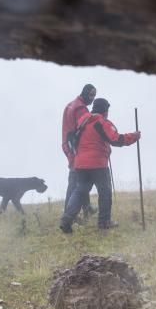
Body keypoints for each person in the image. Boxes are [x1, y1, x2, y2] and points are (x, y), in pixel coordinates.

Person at [60, 98, 140, 233]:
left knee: (80, 191)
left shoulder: (82, 122)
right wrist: (134, 136)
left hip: (80, 164)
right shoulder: (102, 122)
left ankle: (66, 219)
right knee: (104, 192)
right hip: (98, 164)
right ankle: (104, 222)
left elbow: (73, 140)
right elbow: (116, 139)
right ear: (105, 110)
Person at [62, 84, 96, 219]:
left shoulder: (70, 105)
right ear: (85, 93)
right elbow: (87, 130)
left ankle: (87, 208)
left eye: (94, 95)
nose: (93, 98)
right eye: (91, 94)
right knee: (76, 181)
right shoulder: (81, 109)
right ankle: (69, 214)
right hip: (77, 149)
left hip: (68, 145)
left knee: (81, 180)